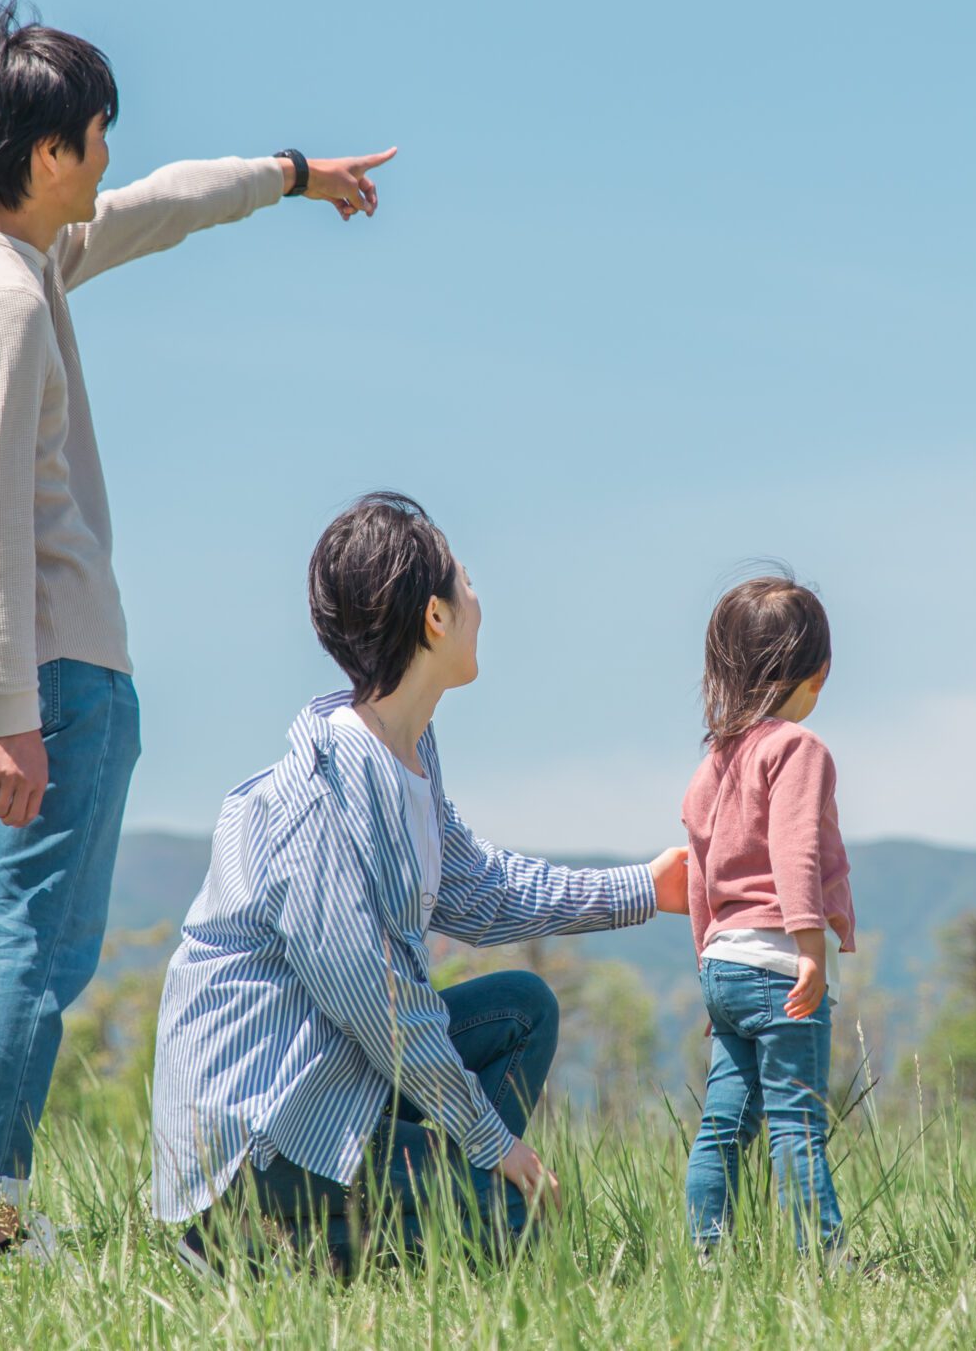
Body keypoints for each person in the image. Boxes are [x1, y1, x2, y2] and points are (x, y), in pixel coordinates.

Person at [0, 0, 396, 1257]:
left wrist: (283, 177)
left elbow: (153, 207)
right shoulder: (8, 305)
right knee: (33, 956)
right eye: (96, 137)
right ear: (48, 153)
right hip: (44, 675)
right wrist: (20, 721)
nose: (107, 159)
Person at [150, 493, 692, 1269]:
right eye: (466, 582)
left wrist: (645, 887)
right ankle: (249, 1243)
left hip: (335, 1081)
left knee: (522, 1009)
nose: (479, 600)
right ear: (434, 618)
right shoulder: (322, 794)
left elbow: (481, 891)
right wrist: (490, 1140)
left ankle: (399, 1224)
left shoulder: (408, 757)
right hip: (263, 1130)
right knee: (512, 1217)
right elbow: (381, 1005)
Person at [679, 573, 853, 1258]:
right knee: (797, 1124)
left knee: (721, 1125)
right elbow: (795, 847)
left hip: (724, 963)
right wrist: (810, 943)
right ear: (819, 672)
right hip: (780, 963)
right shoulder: (797, 749)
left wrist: (707, 965)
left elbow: (697, 874)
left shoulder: (715, 760)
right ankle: (825, 1260)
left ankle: (707, 1257)